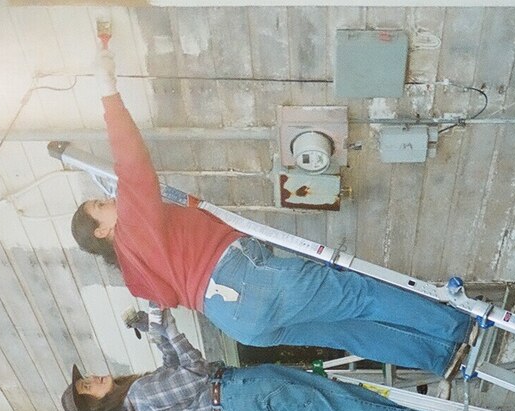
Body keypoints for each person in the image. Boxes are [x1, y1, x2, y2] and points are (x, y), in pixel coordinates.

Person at [71, 48, 476, 378]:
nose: (110, 201)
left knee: (351, 333)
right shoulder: (132, 231)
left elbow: (170, 291)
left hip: (235, 320)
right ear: (102, 231)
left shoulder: (134, 275)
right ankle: (458, 327)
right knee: (359, 294)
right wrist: (108, 92)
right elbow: (132, 163)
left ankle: (441, 357)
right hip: (248, 281)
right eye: (100, 206)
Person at [60, 309, 439, 411]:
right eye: (88, 388)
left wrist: (152, 328)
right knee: (337, 402)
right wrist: (170, 325)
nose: (92, 379)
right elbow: (194, 372)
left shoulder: (140, 401)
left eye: (85, 380)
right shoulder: (141, 395)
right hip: (241, 393)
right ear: (99, 405)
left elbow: (172, 366)